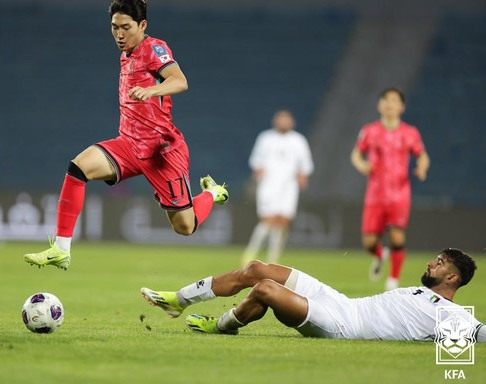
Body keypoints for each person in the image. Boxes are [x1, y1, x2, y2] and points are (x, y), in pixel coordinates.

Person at [24, 0, 228, 270]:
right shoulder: (126, 55)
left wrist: (152, 90)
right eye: (114, 27)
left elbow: (180, 81)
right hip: (130, 145)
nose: (119, 34)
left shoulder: (154, 48)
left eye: (126, 27)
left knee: (185, 226)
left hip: (162, 150)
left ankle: (213, 193)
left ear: (142, 25)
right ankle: (61, 249)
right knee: (78, 167)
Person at [141, 248, 485, 342]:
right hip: (342, 302)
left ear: (452, 277)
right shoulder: (421, 292)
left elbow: (480, 333)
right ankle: (179, 300)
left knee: (264, 290)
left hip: (342, 324)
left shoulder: (453, 316)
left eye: (438, 263)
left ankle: (221, 326)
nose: (430, 262)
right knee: (257, 269)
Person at [350, 88, 430, 290]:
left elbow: (422, 155)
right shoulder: (369, 131)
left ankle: (393, 280)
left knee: (397, 236)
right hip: (375, 195)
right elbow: (356, 155)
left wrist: (422, 167)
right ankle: (379, 255)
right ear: (379, 105)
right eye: (385, 100)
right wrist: (361, 165)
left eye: (394, 101)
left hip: (399, 194)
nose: (389, 104)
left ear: (401, 107)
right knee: (369, 243)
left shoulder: (410, 133)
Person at [242, 110, 313, 265]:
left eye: (287, 120)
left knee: (283, 221)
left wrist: (303, 175)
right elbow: (255, 160)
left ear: (292, 122)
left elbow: (305, 163)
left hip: (289, 186)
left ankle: (273, 259)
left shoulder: (298, 140)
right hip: (269, 184)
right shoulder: (266, 138)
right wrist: (258, 169)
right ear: (275, 121)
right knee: (268, 219)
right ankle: (251, 251)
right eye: (281, 119)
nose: (284, 123)